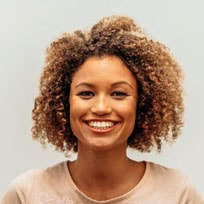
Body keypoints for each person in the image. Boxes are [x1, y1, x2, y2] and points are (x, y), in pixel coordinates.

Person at [1, 15, 203, 204]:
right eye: (86, 94)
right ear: (64, 102)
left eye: (119, 94)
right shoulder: (26, 194)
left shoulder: (178, 194)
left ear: (142, 104)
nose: (101, 108)